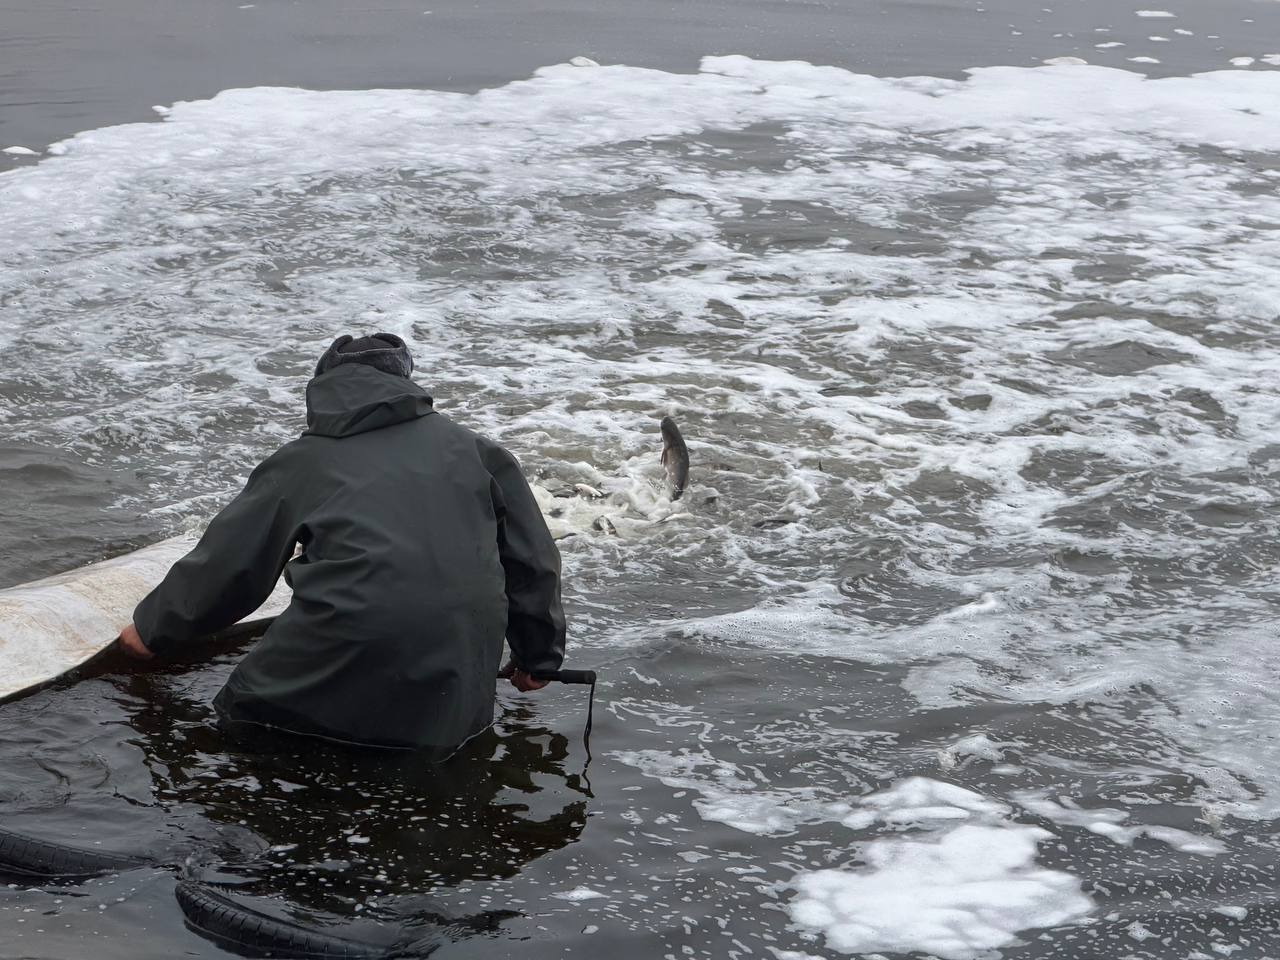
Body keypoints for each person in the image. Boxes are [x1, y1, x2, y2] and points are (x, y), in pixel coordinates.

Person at [116, 333, 565, 758]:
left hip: (318, 688)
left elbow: (231, 569)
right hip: (451, 707)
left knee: (237, 727)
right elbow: (532, 563)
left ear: (323, 388)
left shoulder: (303, 461)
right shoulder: (481, 453)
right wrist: (537, 657)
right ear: (405, 384)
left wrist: (152, 629)